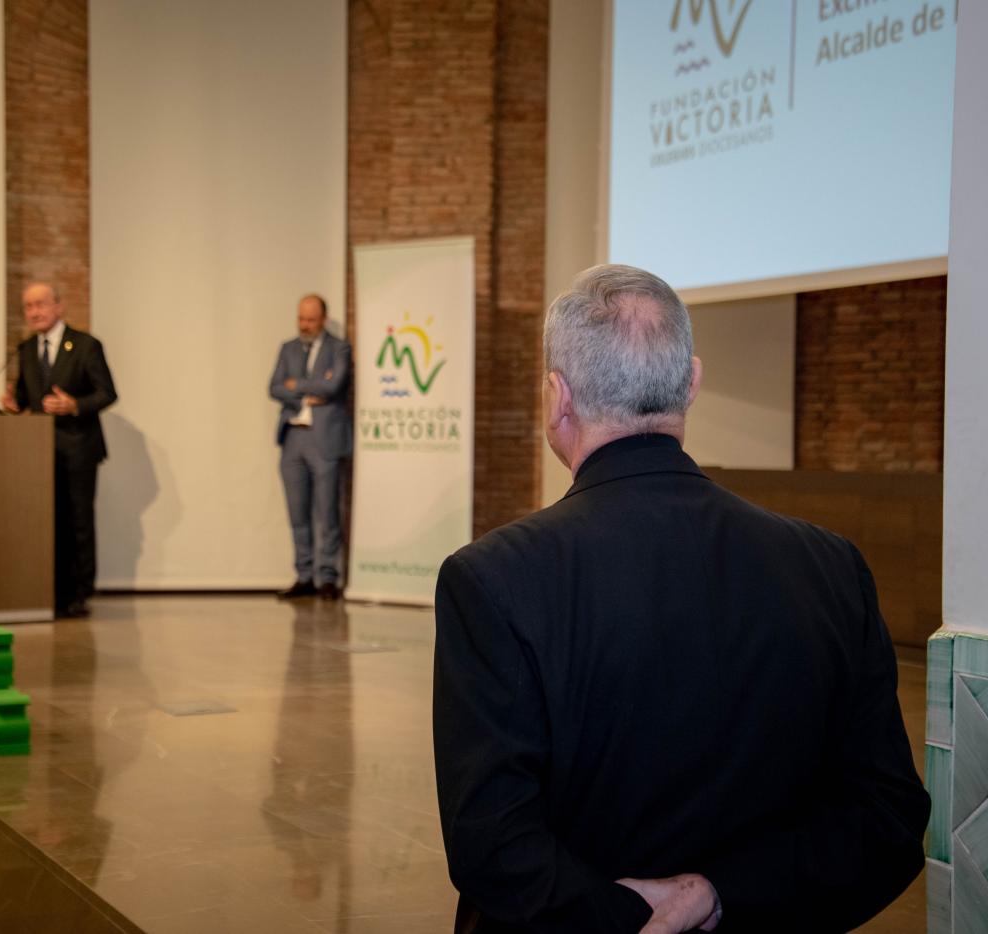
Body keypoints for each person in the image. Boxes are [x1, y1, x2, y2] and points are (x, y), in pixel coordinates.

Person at [432, 264, 929, 933]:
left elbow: (493, 845)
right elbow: (887, 819)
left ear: (556, 398)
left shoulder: (491, 579)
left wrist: (634, 916)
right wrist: (719, 896)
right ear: (690, 383)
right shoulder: (830, 567)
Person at [1, 282, 117, 618]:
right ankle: (52, 588)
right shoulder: (25, 349)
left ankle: (79, 592)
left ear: (59, 306)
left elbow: (107, 393)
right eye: (28, 306)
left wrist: (75, 405)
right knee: (48, 521)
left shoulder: (85, 345)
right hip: (40, 451)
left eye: (40, 304)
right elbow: (26, 398)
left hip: (79, 448)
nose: (34, 312)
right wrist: (13, 403)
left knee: (78, 519)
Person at [270, 293, 352, 600]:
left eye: (311, 319)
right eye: (301, 318)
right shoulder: (288, 349)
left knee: (327, 512)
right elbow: (275, 386)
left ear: (323, 319)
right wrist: (309, 390)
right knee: (297, 513)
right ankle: (304, 575)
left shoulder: (338, 348)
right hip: (293, 438)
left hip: (324, 440)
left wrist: (297, 384)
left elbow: (334, 386)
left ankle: (328, 576)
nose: (304, 325)